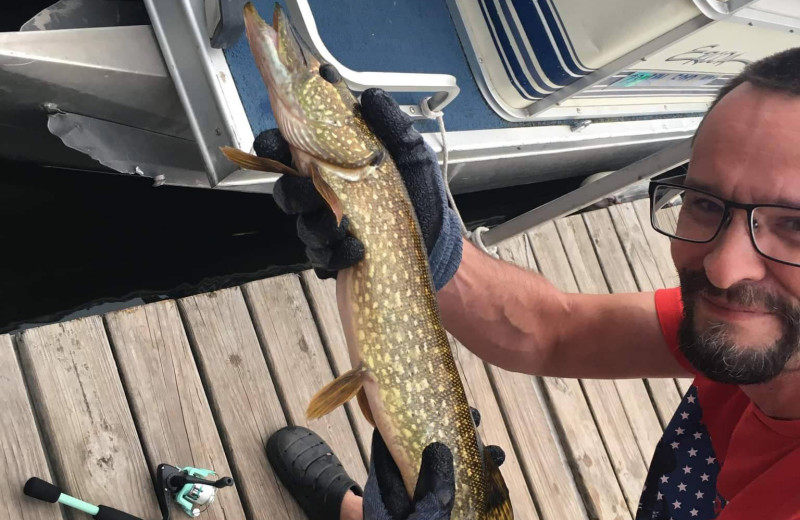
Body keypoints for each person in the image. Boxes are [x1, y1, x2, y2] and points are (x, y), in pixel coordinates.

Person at [262, 46, 800, 520]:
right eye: (706, 204)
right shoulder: (744, 324)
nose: (723, 269)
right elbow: (555, 331)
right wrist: (425, 241)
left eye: (795, 226)